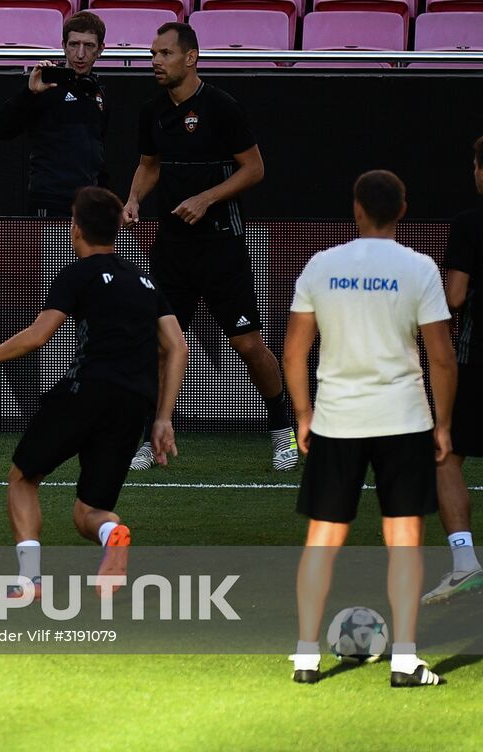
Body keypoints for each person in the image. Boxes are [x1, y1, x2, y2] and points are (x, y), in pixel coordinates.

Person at [0, 187, 186, 600]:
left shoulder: (76, 273)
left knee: (23, 477)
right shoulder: (146, 282)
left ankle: (30, 580)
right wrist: (162, 419)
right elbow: (177, 347)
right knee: (87, 513)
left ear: (75, 228)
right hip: (133, 406)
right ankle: (113, 534)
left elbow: (38, 336)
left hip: (84, 392)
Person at [284, 170, 454, 687]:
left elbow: (293, 352)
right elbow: (442, 358)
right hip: (404, 419)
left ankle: (306, 656)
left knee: (322, 538)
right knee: (404, 538)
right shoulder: (419, 268)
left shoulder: (321, 265)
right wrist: (443, 424)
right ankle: (404, 660)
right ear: (402, 211)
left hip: (337, 419)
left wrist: (303, 413)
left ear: (356, 209)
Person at [123, 22, 296, 472]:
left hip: (222, 248)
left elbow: (254, 169)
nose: (156, 62)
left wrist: (207, 198)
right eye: (153, 53)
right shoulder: (152, 111)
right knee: (162, 345)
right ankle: (150, 439)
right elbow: (148, 165)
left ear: (191, 57)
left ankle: (283, 434)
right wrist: (133, 199)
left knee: (248, 344)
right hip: (171, 250)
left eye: (164, 53)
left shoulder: (221, 107)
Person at [423, 136, 483, 604]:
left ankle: (464, 563)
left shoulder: (469, 224)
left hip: (477, 359)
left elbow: (456, 297)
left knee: (447, 455)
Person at [0, 11, 109, 217]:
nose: (80, 54)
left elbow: (99, 150)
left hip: (90, 201)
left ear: (100, 49)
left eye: (88, 46)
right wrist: (29, 93)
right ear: (63, 46)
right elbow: (0, 129)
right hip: (51, 199)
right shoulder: (45, 87)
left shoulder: (98, 92)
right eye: (74, 44)